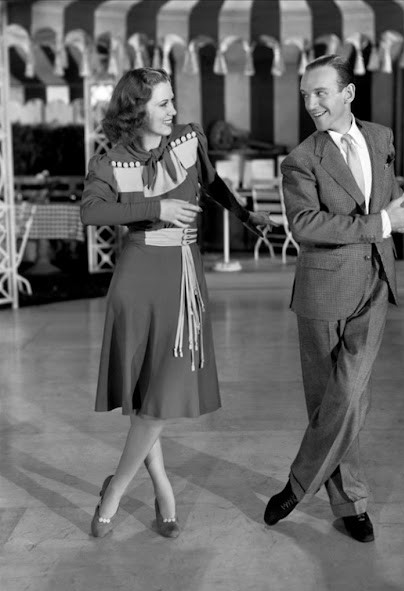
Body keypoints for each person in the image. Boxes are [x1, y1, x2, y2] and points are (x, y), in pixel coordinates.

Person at [263, 55, 404, 542]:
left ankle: (298, 484)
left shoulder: (380, 139)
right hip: (322, 290)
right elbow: (306, 225)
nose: (311, 103)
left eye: (320, 93)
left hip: (376, 282)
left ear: (347, 93)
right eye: (305, 95)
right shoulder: (301, 160)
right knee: (331, 402)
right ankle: (351, 503)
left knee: (351, 393)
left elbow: (393, 200)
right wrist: (381, 226)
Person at [81, 68, 272, 539]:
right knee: (149, 394)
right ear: (136, 109)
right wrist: (156, 208)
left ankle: (120, 490)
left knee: (160, 393)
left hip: (184, 279)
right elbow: (91, 212)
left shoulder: (189, 141)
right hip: (137, 280)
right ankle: (151, 490)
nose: (173, 111)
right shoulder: (110, 163)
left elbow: (213, 183)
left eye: (173, 101)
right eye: (163, 103)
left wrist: (247, 215)